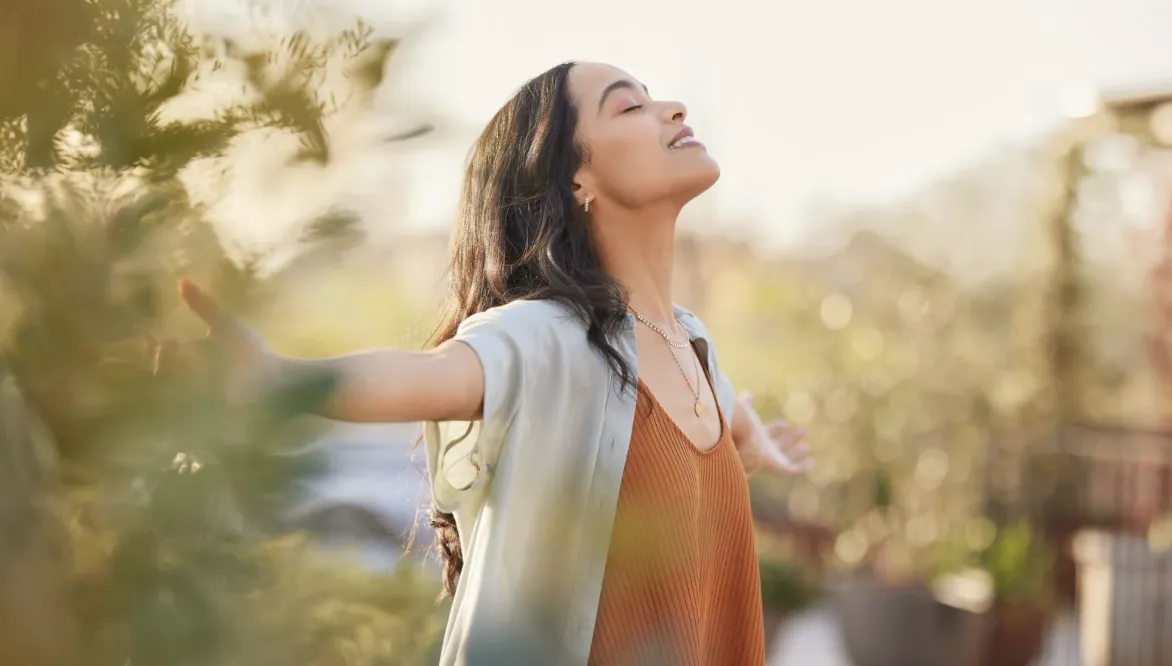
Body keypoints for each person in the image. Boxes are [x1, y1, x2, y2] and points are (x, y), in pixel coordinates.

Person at [163, 61, 813, 666]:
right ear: (575, 179)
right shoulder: (549, 337)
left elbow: (714, 420)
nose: (672, 109)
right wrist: (277, 380)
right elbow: (431, 377)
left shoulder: (693, 348)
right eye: (630, 108)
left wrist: (748, 441)